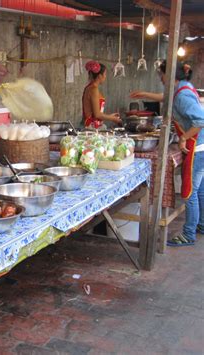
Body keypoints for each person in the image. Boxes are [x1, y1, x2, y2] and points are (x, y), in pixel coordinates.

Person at [131, 61, 204, 246]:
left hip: (199, 147)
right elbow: (166, 96)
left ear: (170, 75)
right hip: (201, 145)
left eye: (161, 74)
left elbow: (200, 120)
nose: (160, 78)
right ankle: (201, 224)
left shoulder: (183, 96)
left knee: (189, 191)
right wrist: (145, 94)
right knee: (201, 189)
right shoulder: (182, 87)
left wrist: (183, 138)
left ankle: (188, 234)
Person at [82, 60, 121, 129]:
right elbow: (97, 114)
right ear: (100, 76)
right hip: (91, 127)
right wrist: (112, 119)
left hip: (94, 125)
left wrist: (111, 116)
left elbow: (95, 113)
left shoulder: (90, 88)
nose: (105, 77)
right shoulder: (94, 89)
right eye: (105, 74)